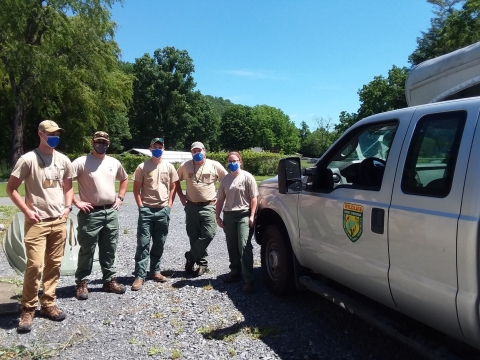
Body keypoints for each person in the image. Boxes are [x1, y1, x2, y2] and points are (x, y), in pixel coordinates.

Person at [6, 120, 73, 333]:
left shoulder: (63, 160)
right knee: (35, 266)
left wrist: (68, 207)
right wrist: (27, 211)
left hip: (58, 221)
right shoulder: (28, 160)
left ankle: (49, 303)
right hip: (36, 222)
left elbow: (69, 187)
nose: (54, 137)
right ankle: (28, 308)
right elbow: (11, 189)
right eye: (50, 133)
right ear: (40, 134)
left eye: (57, 133)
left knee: (54, 265)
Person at [72, 131, 128, 300]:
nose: (101, 145)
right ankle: (82, 282)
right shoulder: (82, 162)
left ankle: (109, 280)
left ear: (108, 144)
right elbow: (65, 182)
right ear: (92, 142)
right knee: (87, 249)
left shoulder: (113, 162)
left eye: (104, 142)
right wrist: (76, 201)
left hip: (110, 211)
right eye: (98, 142)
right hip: (90, 213)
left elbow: (124, 179)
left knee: (109, 248)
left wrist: (120, 197)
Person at [131, 138, 178, 291]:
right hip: (147, 210)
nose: (157, 149)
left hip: (162, 210)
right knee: (143, 243)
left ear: (163, 148)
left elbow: (173, 187)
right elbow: (136, 189)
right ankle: (139, 275)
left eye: (160, 146)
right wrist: (141, 207)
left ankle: (155, 271)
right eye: (154, 146)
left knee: (159, 242)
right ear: (150, 148)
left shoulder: (169, 167)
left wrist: (169, 206)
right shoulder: (142, 167)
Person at [175, 141, 227, 276]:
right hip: (191, 206)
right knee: (194, 236)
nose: (197, 153)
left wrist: (220, 196)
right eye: (194, 151)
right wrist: (181, 196)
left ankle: (190, 256)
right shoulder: (185, 166)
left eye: (200, 150)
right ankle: (202, 264)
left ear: (204, 151)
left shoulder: (214, 165)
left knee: (209, 234)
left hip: (209, 206)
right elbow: (175, 180)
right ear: (191, 153)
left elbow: (226, 181)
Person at [216, 152, 258, 293]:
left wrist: (252, 215)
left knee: (244, 245)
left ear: (240, 161)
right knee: (232, 245)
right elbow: (220, 199)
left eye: (234, 160)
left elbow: (254, 198)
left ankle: (248, 279)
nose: (232, 163)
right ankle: (235, 272)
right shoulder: (225, 180)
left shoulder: (247, 177)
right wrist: (218, 216)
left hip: (243, 215)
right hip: (229, 215)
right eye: (229, 161)